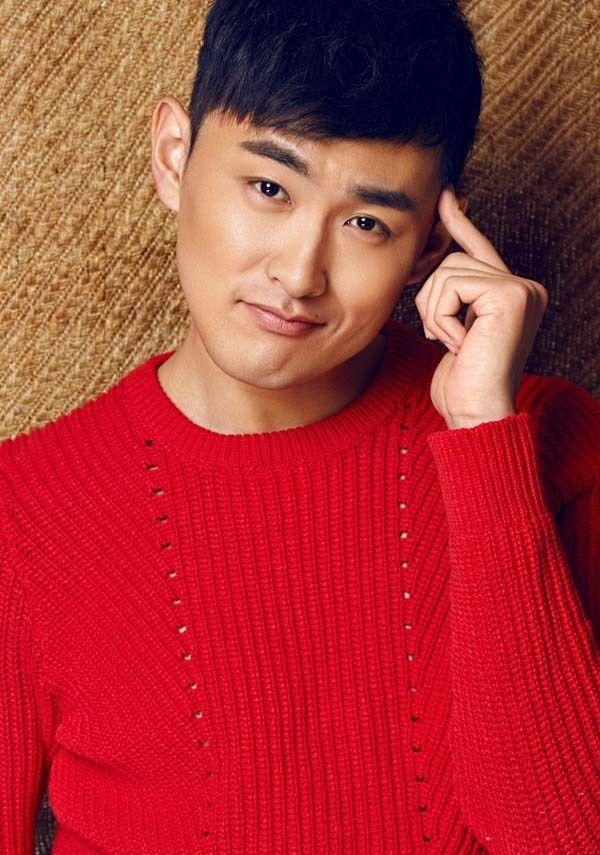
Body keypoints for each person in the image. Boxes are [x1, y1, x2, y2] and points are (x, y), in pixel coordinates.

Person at [1, 1, 598, 853]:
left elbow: (565, 836)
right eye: (270, 188)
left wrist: (481, 439)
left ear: (432, 246)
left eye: (367, 223)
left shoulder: (546, 444)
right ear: (173, 157)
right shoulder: (23, 512)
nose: (299, 273)